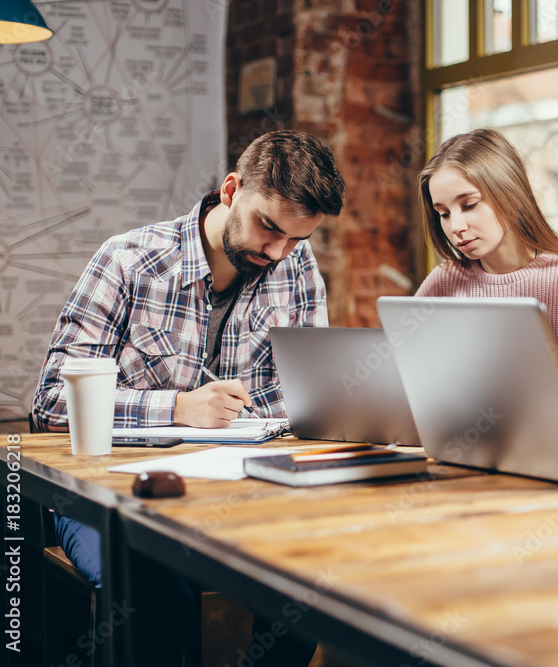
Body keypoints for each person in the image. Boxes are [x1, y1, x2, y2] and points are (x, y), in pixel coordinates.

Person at [32, 129, 345, 665]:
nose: (276, 253)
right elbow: (52, 401)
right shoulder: (128, 260)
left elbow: (307, 397)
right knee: (154, 587)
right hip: (110, 490)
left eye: (296, 239)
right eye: (268, 227)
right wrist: (178, 408)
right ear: (230, 190)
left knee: (312, 578)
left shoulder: (296, 265)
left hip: (241, 492)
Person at [416, 128, 558, 411]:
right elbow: (411, 379)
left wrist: (554, 424)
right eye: (444, 214)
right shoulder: (442, 283)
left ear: (509, 193)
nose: (455, 227)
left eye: (469, 205)